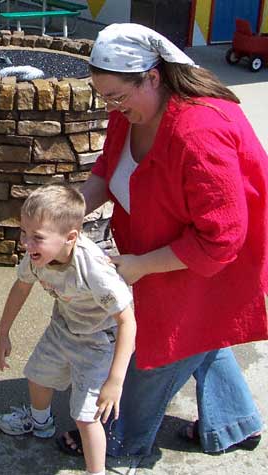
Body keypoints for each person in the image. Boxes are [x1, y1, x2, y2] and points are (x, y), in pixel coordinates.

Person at [58, 23, 268, 463]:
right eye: (105, 97)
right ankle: (236, 421)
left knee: (158, 346)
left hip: (210, 258)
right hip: (159, 250)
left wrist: (140, 266)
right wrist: (66, 212)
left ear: (152, 77)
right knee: (205, 331)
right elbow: (107, 170)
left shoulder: (199, 133)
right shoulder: (128, 114)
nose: (112, 107)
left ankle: (120, 436)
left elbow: (222, 238)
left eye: (118, 96)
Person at [0, 184, 136, 475]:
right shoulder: (37, 257)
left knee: (86, 417)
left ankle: (96, 472)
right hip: (62, 327)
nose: (26, 243)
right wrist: (3, 332)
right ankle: (40, 423)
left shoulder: (95, 270)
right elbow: (21, 288)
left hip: (98, 341)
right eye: (24, 232)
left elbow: (127, 321)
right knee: (37, 376)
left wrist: (116, 380)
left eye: (37, 237)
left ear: (70, 237)